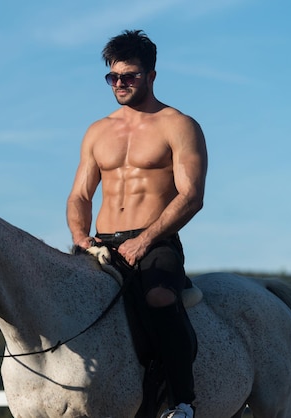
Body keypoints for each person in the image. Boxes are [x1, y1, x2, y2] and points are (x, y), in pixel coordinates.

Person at [66, 30, 207, 418]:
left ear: (151, 75)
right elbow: (80, 195)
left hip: (156, 240)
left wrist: (145, 241)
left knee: (159, 297)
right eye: (114, 77)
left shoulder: (178, 125)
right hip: (101, 242)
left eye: (129, 76)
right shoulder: (98, 131)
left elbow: (191, 195)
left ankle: (183, 402)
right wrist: (80, 237)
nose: (120, 84)